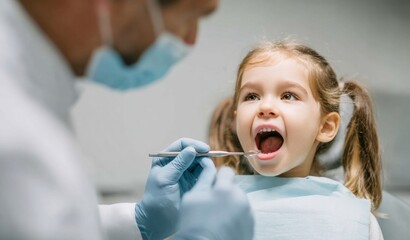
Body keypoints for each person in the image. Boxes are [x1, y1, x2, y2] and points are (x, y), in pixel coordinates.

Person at [0, 0, 254, 239]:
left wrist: (139, 220)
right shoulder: (14, 133)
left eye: (289, 95)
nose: (190, 39)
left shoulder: (31, 85)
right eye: (189, 16)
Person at [208, 38, 384, 239]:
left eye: (288, 96)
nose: (265, 107)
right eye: (252, 96)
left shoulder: (355, 221)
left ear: (325, 127)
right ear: (236, 117)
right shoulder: (208, 209)